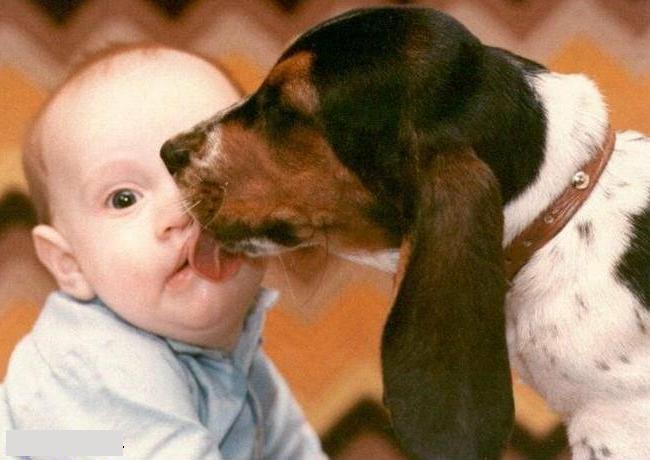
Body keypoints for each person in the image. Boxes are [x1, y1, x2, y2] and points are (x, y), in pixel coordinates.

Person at [0, 45, 327, 460]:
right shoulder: (98, 362)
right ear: (70, 265)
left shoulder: (237, 352)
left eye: (213, 170)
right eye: (124, 199)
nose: (182, 210)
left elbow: (293, 450)